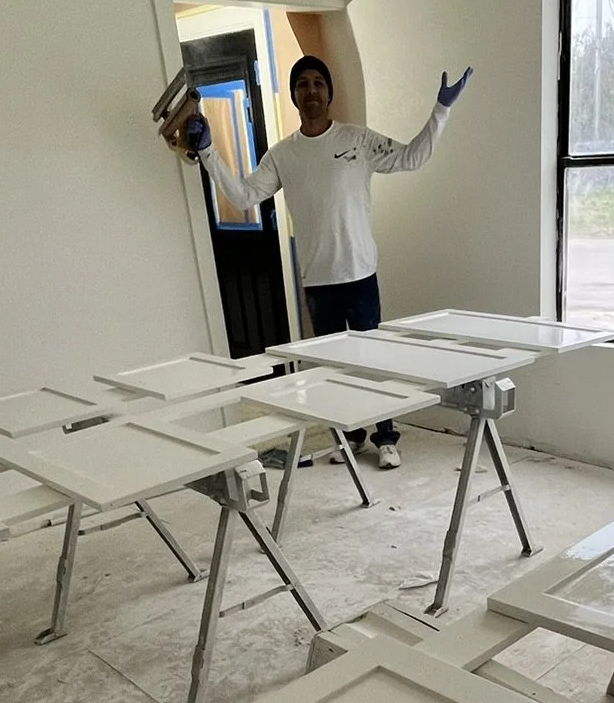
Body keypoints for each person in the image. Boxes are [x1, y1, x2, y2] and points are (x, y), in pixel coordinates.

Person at [184, 54, 471, 469]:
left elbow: (412, 157)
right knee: (333, 369)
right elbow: (244, 195)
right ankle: (350, 437)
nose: (311, 90)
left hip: (360, 274)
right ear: (294, 95)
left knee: (374, 362)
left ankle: (385, 437)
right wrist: (208, 150)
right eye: (303, 84)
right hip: (318, 282)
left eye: (318, 83)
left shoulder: (357, 140)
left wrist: (441, 110)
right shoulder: (283, 155)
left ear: (329, 93)